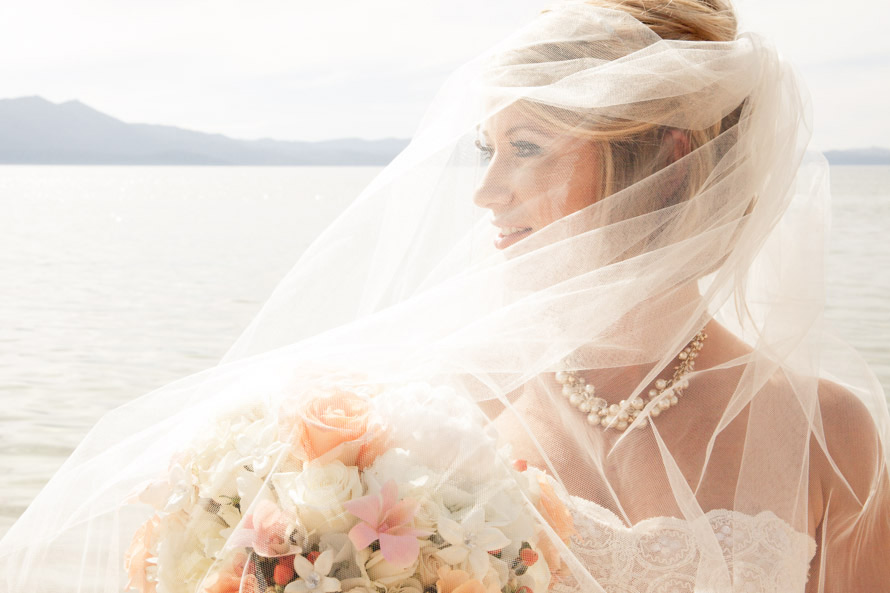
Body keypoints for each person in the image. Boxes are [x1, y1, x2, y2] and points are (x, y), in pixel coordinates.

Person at [1, 0, 887, 592]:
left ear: (666, 156)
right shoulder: (426, 421)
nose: (487, 192)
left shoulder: (828, 435)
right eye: (485, 148)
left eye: (529, 146)